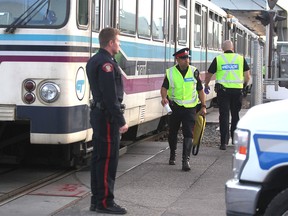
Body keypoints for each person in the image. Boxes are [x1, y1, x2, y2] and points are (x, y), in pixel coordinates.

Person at [86, 27, 129, 215]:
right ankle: (105, 202)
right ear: (111, 43)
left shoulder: (95, 60)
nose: (119, 45)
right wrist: (121, 120)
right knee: (107, 160)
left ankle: (96, 200)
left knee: (98, 159)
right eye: (118, 41)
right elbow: (110, 96)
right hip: (107, 118)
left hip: (99, 114)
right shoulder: (106, 64)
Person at [160, 48, 207, 171]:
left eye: (188, 58)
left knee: (188, 133)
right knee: (172, 132)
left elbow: (200, 90)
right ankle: (172, 154)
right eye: (184, 58)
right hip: (175, 107)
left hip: (190, 108)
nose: (187, 60)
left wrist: (203, 105)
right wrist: (164, 98)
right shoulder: (170, 72)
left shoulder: (194, 71)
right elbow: (164, 87)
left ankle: (185, 160)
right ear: (177, 59)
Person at [204, 40, 250, 150]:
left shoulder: (218, 59)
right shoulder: (240, 58)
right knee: (235, 115)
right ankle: (234, 140)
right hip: (237, 91)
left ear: (222, 49)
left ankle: (223, 143)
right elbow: (247, 76)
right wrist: (243, 86)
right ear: (233, 48)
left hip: (223, 92)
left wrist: (206, 85)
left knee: (224, 116)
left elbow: (209, 74)